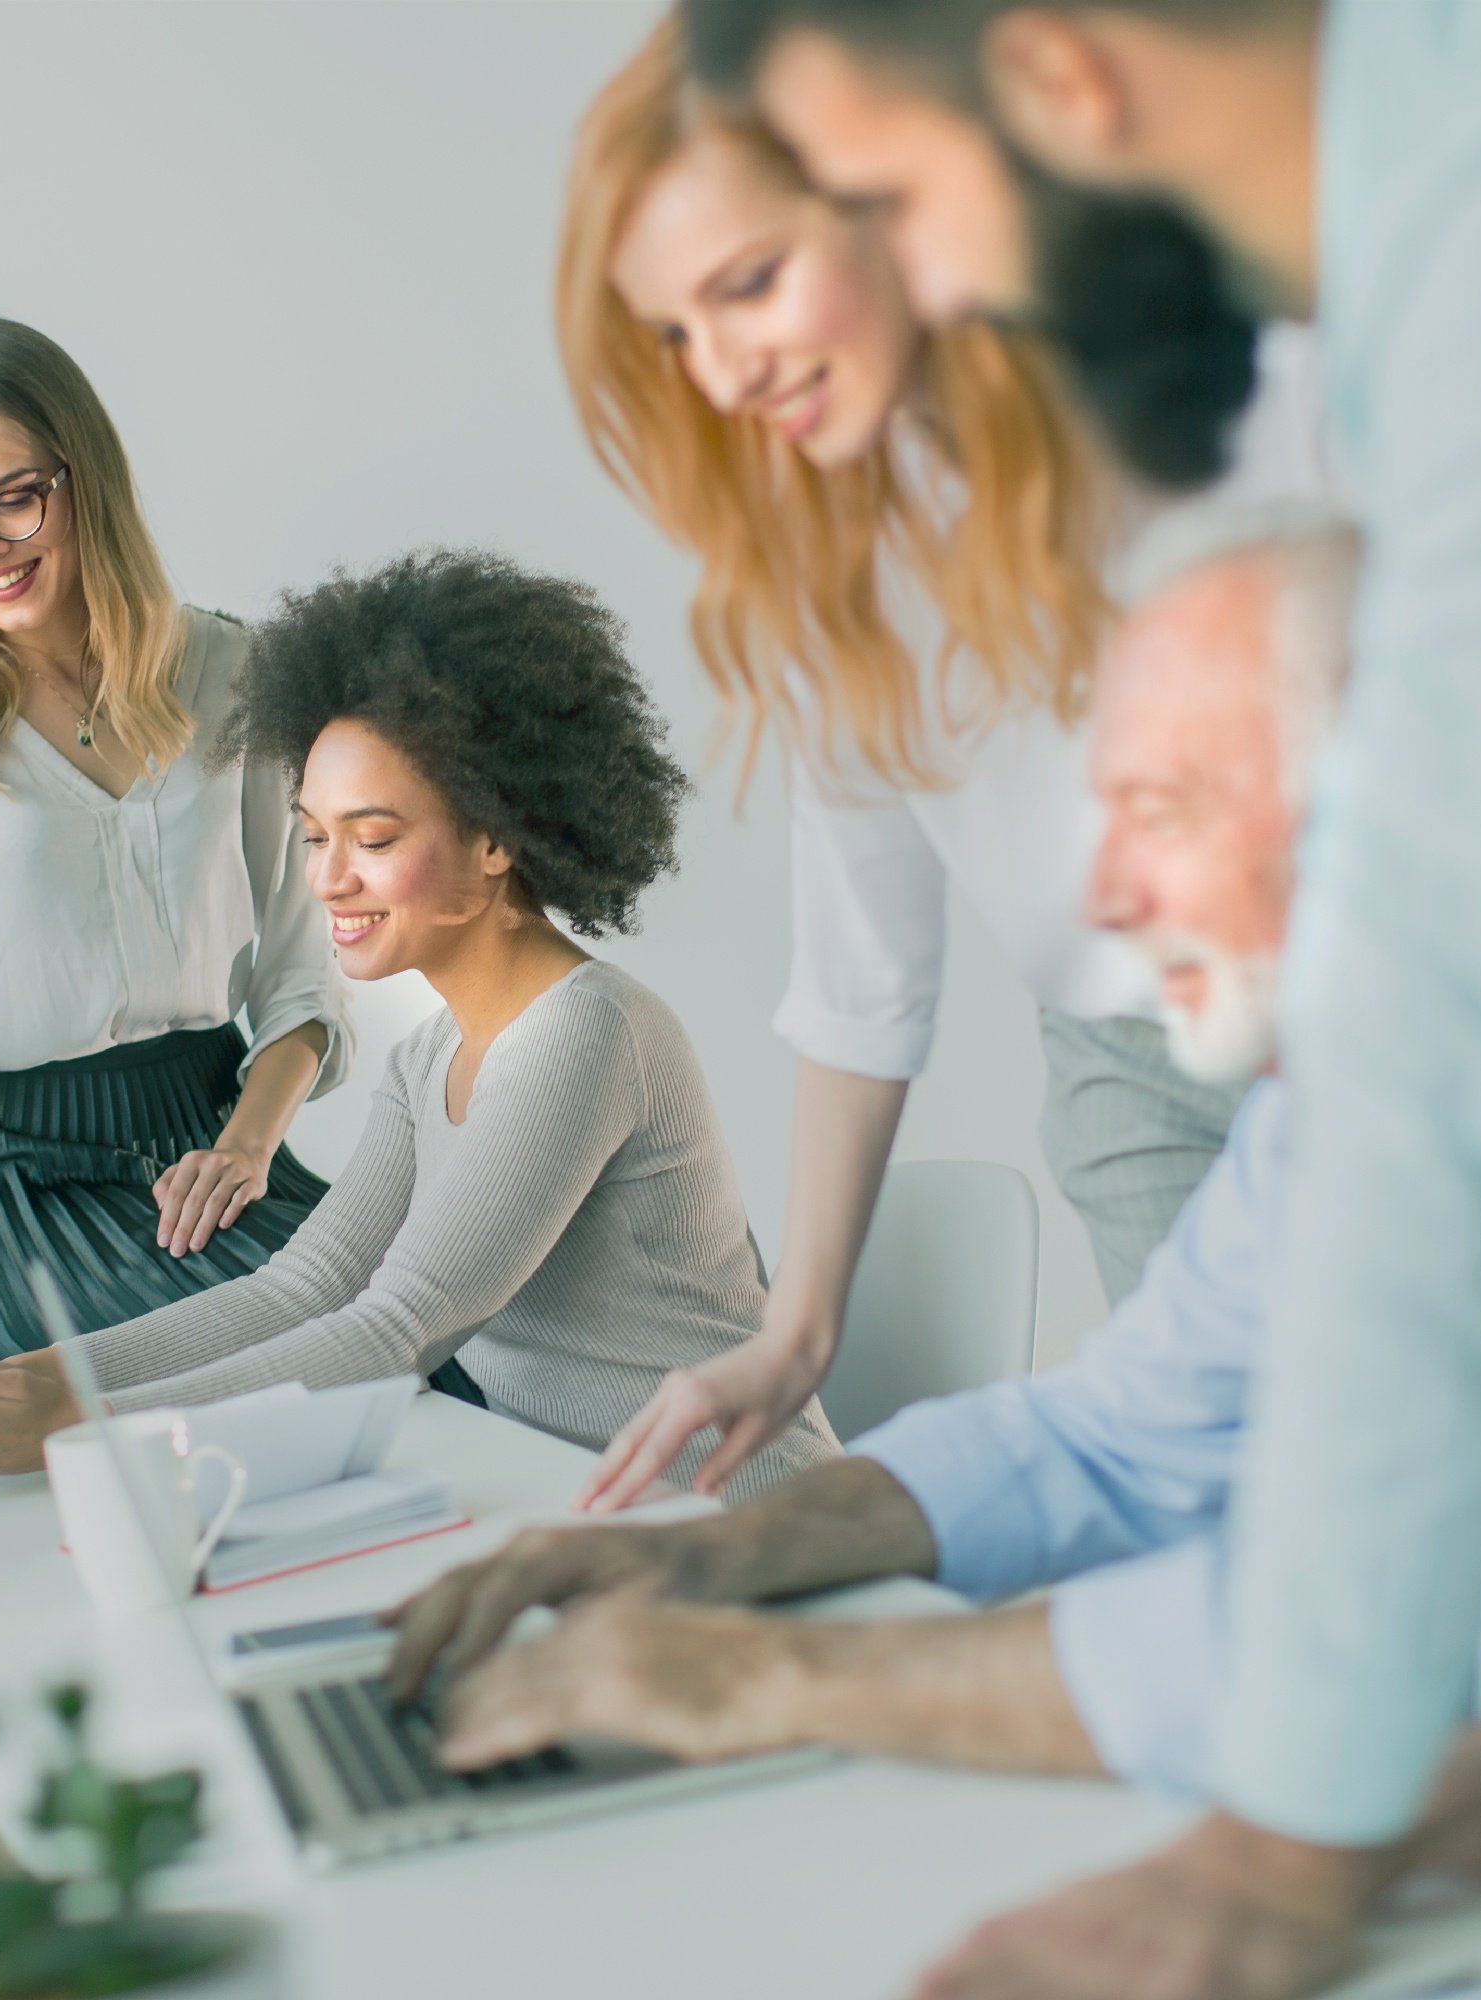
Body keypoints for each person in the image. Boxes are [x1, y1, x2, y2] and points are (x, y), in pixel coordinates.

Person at [680, 3, 1481, 1987]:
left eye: (884, 200)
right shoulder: (1455, 266)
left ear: (1059, 74)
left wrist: (1289, 1845)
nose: (920, 287)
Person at [387, 514, 1481, 1959]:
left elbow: (1339, 1634)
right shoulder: (1341, 1110)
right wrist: (705, 1558)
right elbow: (1101, 1439)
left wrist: (761, 1682)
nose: (1114, 896)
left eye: (1161, 808)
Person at [554, 17, 1333, 1510]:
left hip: (1390, 1012)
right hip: (1137, 1075)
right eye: (672, 333)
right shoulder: (828, 544)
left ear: (880, 186)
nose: (719, 374)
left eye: (749, 285)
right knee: (1242, 1525)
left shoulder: (1219, 385)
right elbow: (866, 968)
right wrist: (797, 1332)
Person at [0, 550, 842, 1497]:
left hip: (737, 1518)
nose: (326, 877)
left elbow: (394, 1328)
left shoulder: (585, 1034)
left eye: (373, 837)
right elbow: (302, 1286)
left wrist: (76, 1428)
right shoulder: (430, 1057)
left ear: (498, 832)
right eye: (315, 834)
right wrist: (35, 1379)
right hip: (584, 1510)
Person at [0, 317, 353, 1360]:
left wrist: (247, 1144)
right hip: (24, 1181)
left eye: (13, 500)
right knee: (329, 1343)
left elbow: (304, 980)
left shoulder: (236, 669)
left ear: (85, 479)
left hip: (221, 1145)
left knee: (470, 1322)